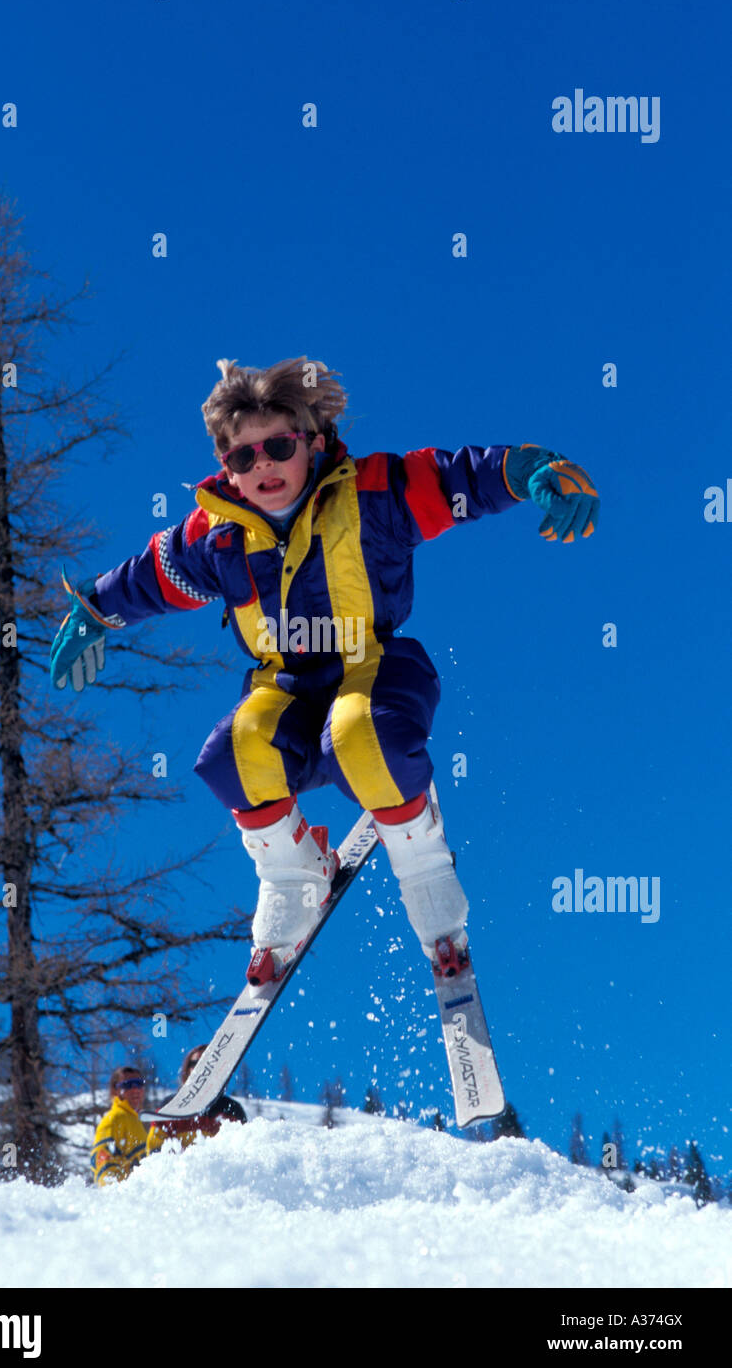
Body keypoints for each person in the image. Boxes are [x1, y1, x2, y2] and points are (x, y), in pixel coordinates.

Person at [52, 358, 598, 989]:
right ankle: (291, 870)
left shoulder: (374, 492)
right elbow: (152, 574)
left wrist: (531, 471)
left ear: (311, 441)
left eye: (279, 447)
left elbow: (462, 478)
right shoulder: (217, 533)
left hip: (376, 667)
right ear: (225, 467)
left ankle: (423, 865)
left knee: (359, 733)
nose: (263, 468)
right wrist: (95, 609)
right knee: (232, 751)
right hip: (284, 687)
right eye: (242, 459)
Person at [147, 1044, 247, 1152]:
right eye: (195, 1063)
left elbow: (243, 1148)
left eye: (206, 1063)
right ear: (187, 1069)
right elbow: (154, 1148)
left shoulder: (232, 1109)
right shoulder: (170, 1106)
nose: (201, 1068)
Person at [90, 1066, 152, 1186]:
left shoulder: (136, 1120)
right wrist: (113, 1195)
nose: (135, 1089)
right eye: (128, 1085)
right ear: (115, 1091)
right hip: (123, 1197)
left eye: (139, 1084)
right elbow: (102, 1160)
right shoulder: (114, 1118)